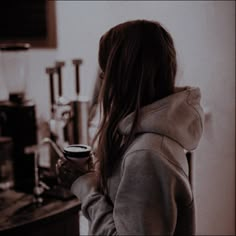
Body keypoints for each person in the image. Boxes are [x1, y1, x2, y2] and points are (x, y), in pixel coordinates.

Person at [67, 20, 204, 235]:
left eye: (105, 73)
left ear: (119, 78)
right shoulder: (146, 141)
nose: (101, 84)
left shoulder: (146, 154)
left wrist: (86, 187)